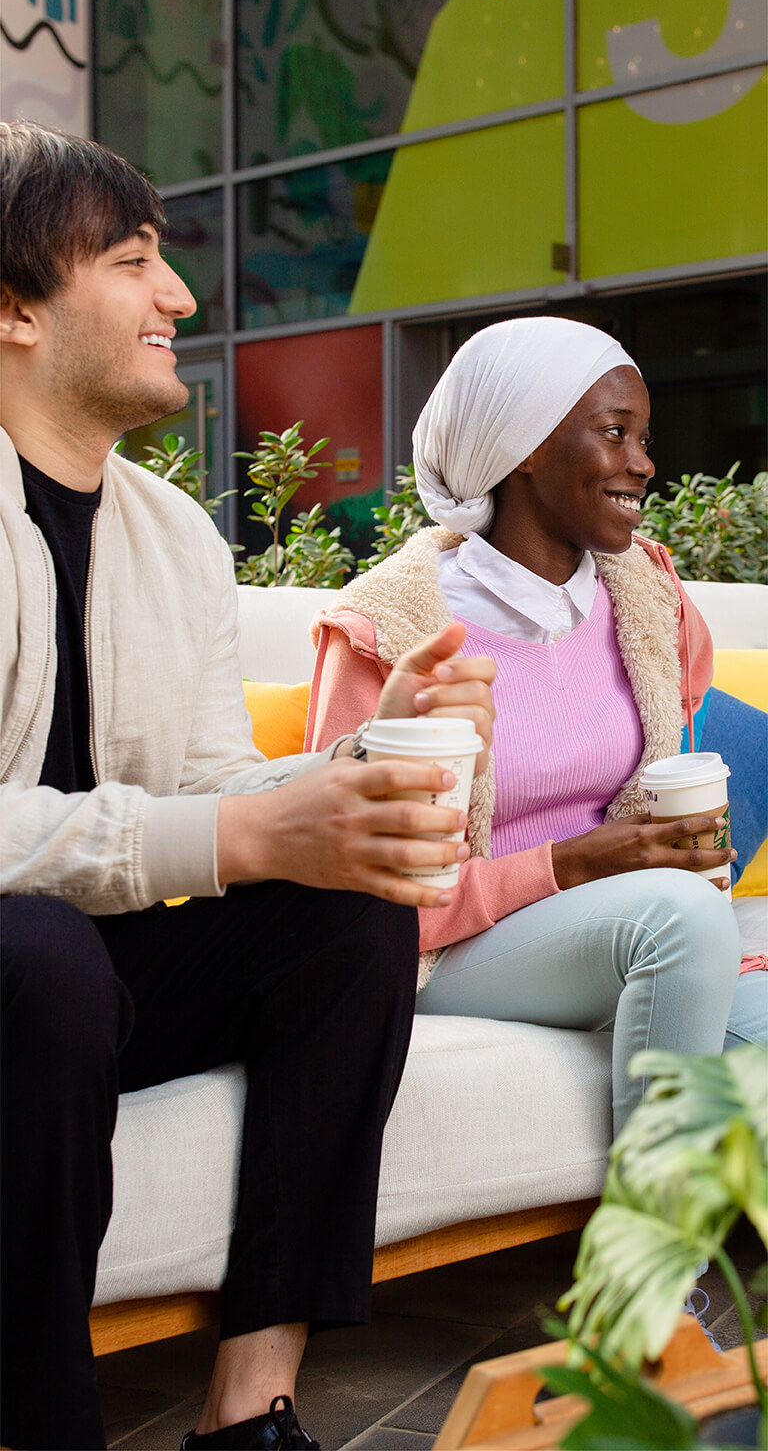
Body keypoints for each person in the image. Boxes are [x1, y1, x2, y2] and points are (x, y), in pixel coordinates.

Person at [0, 121, 496, 1451]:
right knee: (43, 958)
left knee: (347, 907)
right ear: (14, 309)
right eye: (135, 260)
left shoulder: (172, 537)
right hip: (27, 971)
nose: (178, 298)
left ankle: (250, 1406)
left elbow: (218, 785)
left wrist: (357, 759)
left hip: (88, 975)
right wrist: (231, 826)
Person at [308, 316, 766, 1140]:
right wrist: (572, 865)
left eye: (645, 436)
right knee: (680, 916)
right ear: (522, 445)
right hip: (452, 952)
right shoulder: (391, 632)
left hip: (638, 931)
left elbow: (673, 769)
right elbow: (359, 895)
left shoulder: (651, 602)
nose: (644, 463)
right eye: (614, 432)